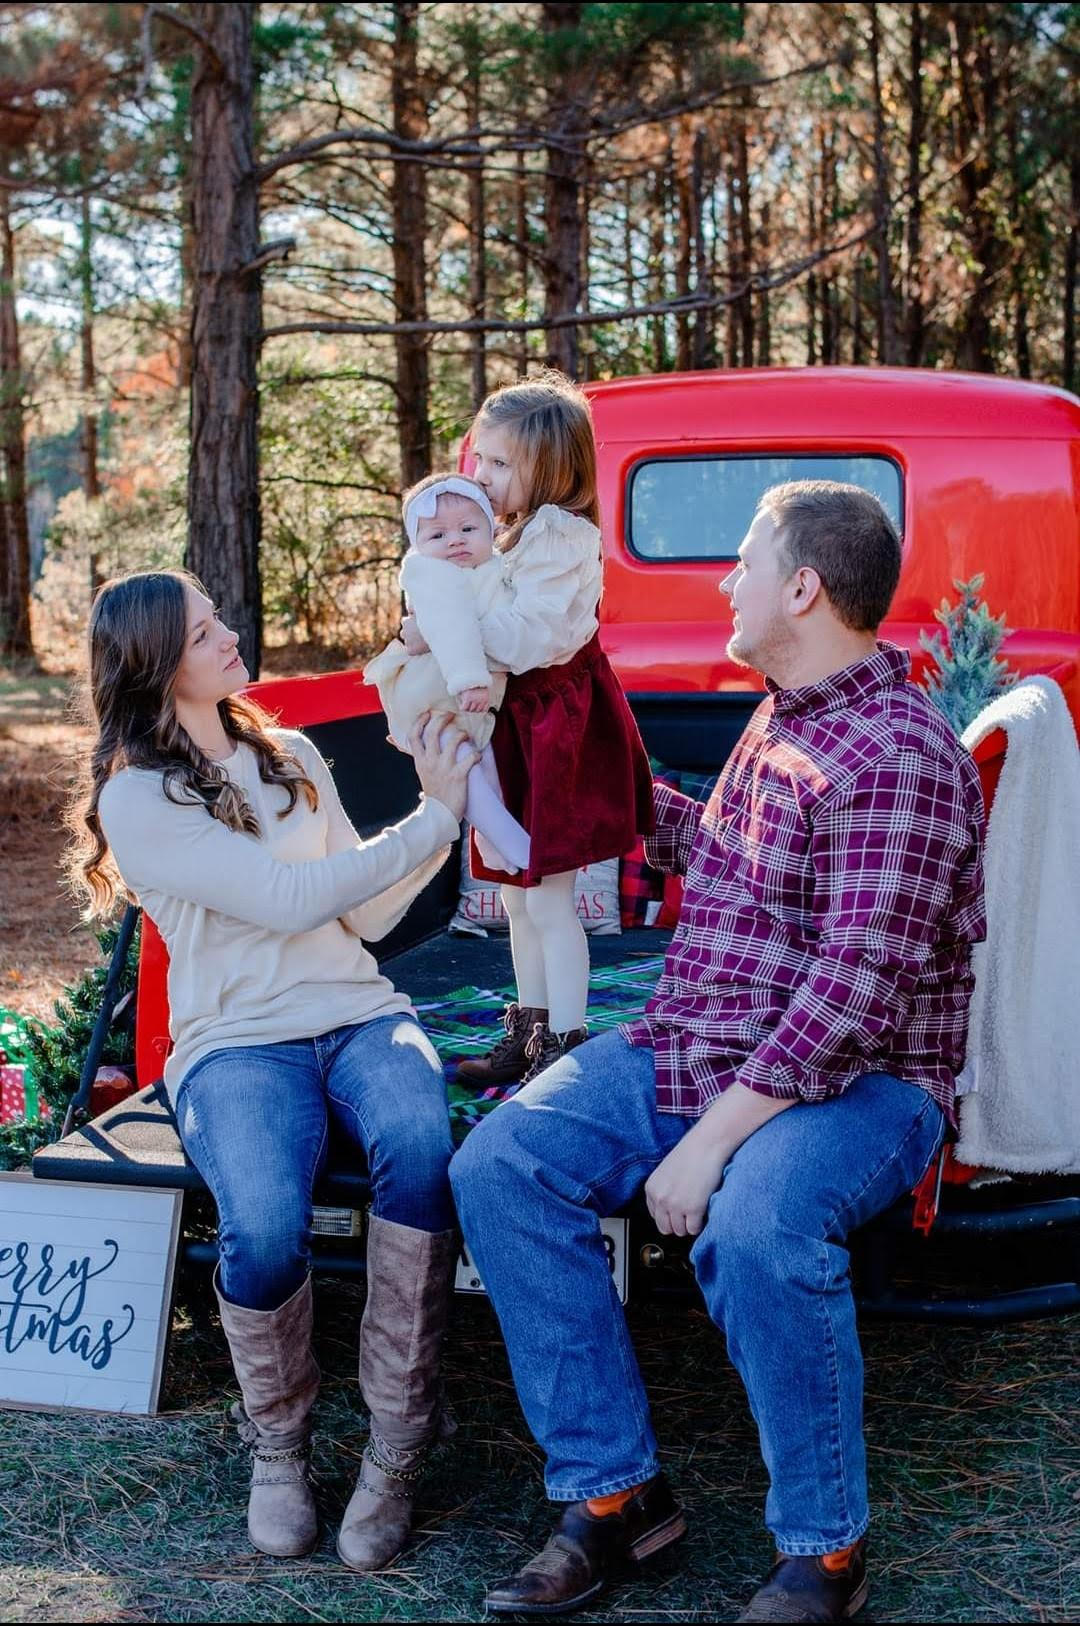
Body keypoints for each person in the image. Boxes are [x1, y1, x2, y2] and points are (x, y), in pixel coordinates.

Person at [450, 481, 987, 1622]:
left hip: (869, 1082)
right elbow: (730, 851)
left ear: (803, 587)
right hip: (702, 1040)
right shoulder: (783, 712)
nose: (724, 581)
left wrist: (709, 1150)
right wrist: (601, 778)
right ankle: (616, 1499)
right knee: (498, 1165)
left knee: (756, 1217)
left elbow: (851, 991)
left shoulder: (898, 752)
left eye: (743, 561)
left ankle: (823, 1553)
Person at [67, 568, 474, 1573]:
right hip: (234, 1039)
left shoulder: (289, 754)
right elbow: (289, 901)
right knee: (263, 1224)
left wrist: (438, 809)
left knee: (423, 1147)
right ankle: (281, 1446)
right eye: (204, 631)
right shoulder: (138, 799)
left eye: (218, 621)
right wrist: (431, 822)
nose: (229, 635)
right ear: (158, 664)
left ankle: (394, 1446)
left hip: (354, 1010)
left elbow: (362, 918)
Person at [409, 371, 653, 1088]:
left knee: (549, 898)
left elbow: (524, 640)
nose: (478, 476)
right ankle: (530, 1026)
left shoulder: (561, 538)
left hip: (557, 731)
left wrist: (448, 626)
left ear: (546, 469)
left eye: (497, 463)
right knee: (516, 897)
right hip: (518, 726)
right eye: (476, 458)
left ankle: (566, 1047)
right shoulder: (509, 533)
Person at [364, 471, 531, 874]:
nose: (454, 540)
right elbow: (453, 627)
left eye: (468, 529)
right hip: (431, 691)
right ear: (417, 545)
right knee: (461, 762)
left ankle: (495, 850)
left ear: (491, 531)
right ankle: (515, 845)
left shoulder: (492, 568)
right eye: (437, 536)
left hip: (459, 692)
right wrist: (472, 680)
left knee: (482, 760)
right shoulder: (431, 574)